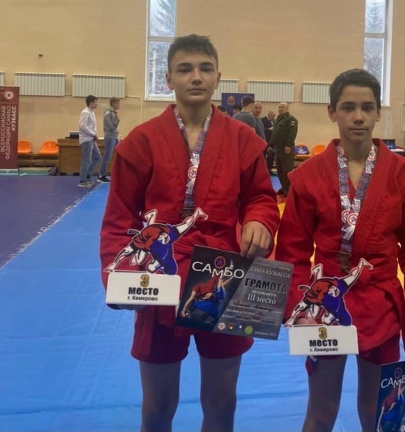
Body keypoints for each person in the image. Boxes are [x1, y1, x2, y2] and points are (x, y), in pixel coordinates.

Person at [99, 34, 279, 432]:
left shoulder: (243, 141)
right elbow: (118, 219)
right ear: (168, 79)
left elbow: (261, 198)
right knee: (157, 407)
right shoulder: (141, 142)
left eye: (204, 68)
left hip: (223, 274)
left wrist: (259, 221)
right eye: (184, 69)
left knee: (222, 403)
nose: (195, 77)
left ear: (218, 77)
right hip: (158, 275)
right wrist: (116, 277)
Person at [275, 68, 405, 432]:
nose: (358, 116)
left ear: (378, 112)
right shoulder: (309, 177)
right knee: (321, 411)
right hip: (325, 306)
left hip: (381, 304)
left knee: (377, 412)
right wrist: (301, 310)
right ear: (332, 112)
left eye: (367, 107)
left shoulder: (402, 175)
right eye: (348, 107)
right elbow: (292, 252)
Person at [270, 102, 298, 196]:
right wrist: (271, 145)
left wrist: (288, 145)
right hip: (277, 148)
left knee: (287, 169)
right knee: (279, 169)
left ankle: (288, 189)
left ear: (287, 109)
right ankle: (283, 187)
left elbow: (292, 133)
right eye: (279, 107)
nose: (280, 109)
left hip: (285, 147)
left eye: (282, 107)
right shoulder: (277, 119)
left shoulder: (291, 119)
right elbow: (274, 133)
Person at [78, 95, 102, 188]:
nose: (97, 104)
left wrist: (94, 134)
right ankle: (82, 180)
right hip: (86, 139)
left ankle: (88, 176)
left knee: (97, 157)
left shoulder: (92, 112)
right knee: (87, 160)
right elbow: (82, 126)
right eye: (96, 102)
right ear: (91, 103)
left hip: (91, 139)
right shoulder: (86, 112)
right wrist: (93, 134)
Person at [99, 97, 121, 183]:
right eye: (118, 103)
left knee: (120, 152)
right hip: (110, 137)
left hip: (114, 136)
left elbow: (115, 124)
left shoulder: (114, 113)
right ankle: (101, 175)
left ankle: (117, 172)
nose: (119, 105)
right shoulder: (108, 113)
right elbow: (111, 126)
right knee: (107, 156)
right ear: (114, 104)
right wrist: (116, 129)